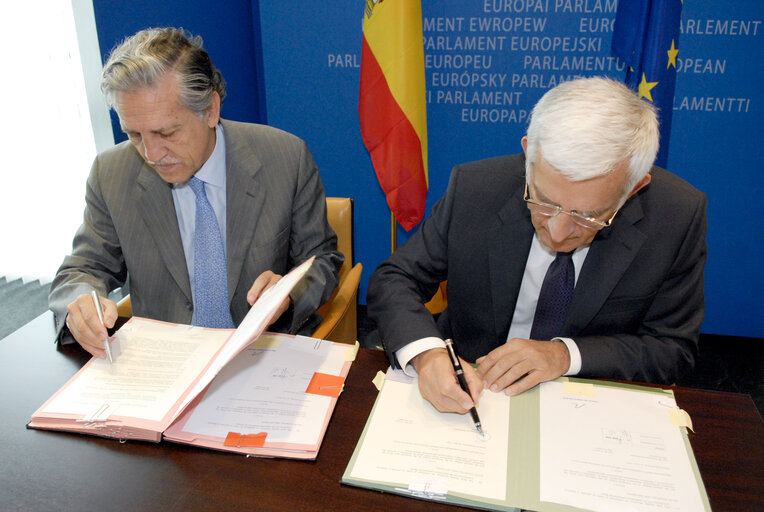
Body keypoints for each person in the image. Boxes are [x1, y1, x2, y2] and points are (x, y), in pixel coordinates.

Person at [367, 77, 707, 415]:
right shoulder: (476, 189)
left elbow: (671, 350)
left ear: (633, 189)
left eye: (588, 216)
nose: (558, 232)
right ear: (529, 155)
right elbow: (396, 278)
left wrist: (564, 354)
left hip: (588, 405)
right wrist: (428, 355)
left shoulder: (675, 217)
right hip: (473, 392)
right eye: (544, 201)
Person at [50, 27, 343, 357]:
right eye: (134, 134)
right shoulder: (111, 173)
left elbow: (322, 260)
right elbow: (80, 271)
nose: (151, 153)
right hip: (163, 362)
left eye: (166, 132)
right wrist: (82, 302)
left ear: (210, 110)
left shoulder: (286, 158)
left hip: (260, 354)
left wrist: (287, 293)